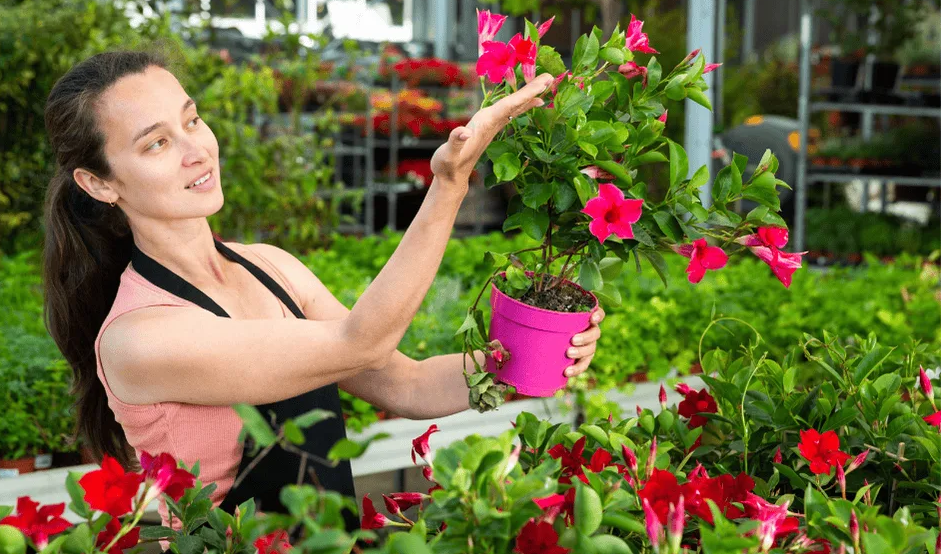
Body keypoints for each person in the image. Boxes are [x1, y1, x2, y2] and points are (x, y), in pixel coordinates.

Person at [40, 50, 604, 531]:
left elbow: (403, 384)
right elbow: (362, 343)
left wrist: (530, 354)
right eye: (156, 144)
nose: (196, 151)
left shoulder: (272, 268)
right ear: (99, 183)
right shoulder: (139, 336)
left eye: (191, 121)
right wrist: (449, 184)